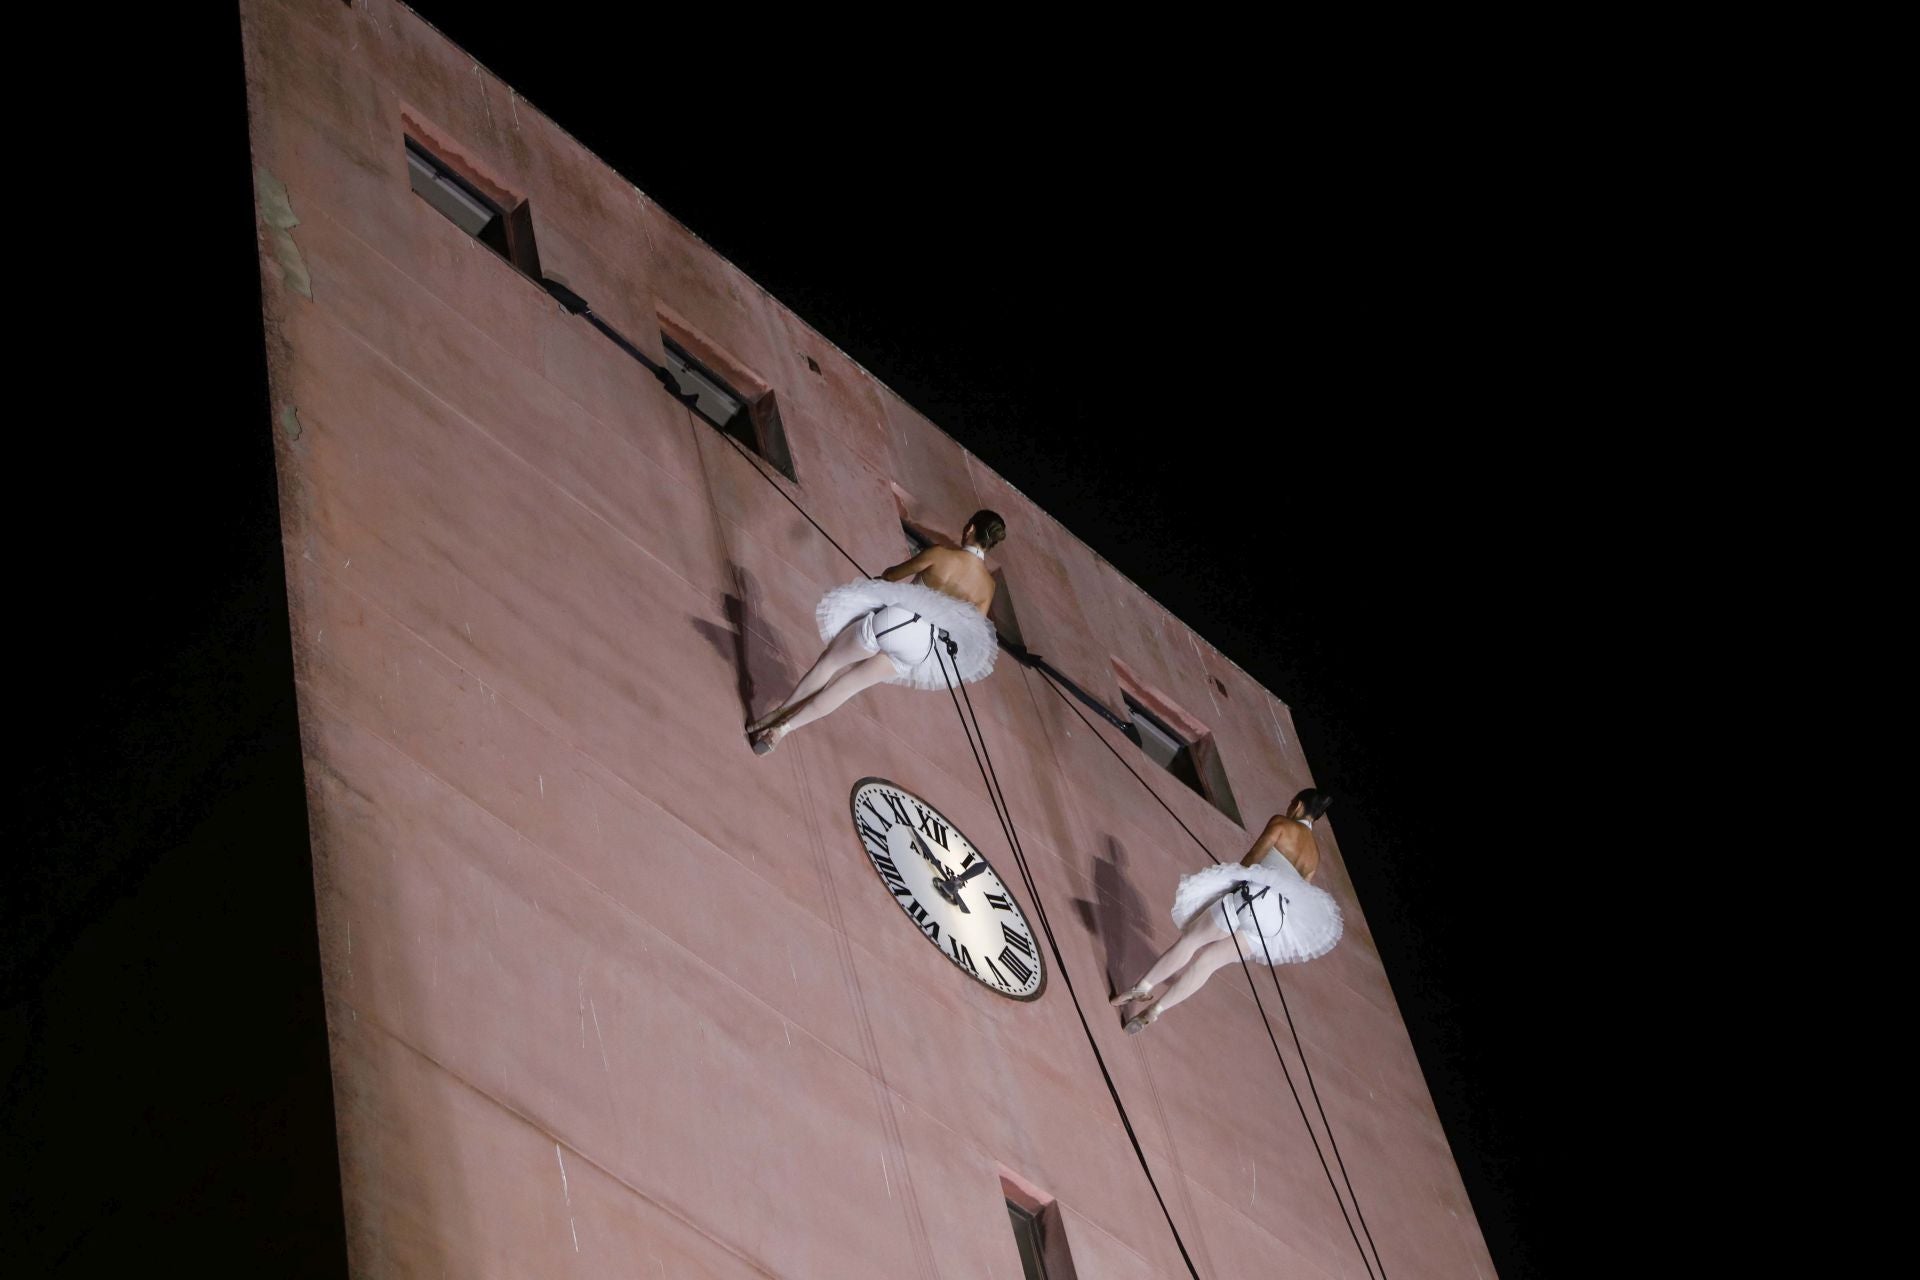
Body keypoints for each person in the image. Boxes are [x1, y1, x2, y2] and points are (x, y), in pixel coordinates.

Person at [747, 511, 1007, 754]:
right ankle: (781, 731)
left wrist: (883, 578)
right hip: (922, 646)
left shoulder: (942, 555)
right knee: (848, 687)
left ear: (970, 528)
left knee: (831, 662)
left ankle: (777, 715)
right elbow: (970, 633)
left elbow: (893, 575)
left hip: (898, 621)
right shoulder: (987, 586)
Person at [1110, 789, 1342, 1033]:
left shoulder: (1282, 824)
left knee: (1191, 941)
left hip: (1252, 898)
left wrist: (1225, 883)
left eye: (1291, 803)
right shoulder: (1314, 857)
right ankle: (1155, 1012)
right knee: (1208, 964)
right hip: (1274, 922)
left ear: (1297, 806)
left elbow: (1252, 858)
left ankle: (1143, 987)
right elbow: (1298, 893)